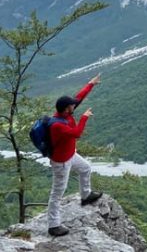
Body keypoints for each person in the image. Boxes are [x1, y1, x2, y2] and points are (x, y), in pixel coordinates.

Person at [47, 74, 103, 237]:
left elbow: (78, 98)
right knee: (57, 193)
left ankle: (86, 195)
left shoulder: (65, 114)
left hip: (71, 155)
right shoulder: (57, 125)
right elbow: (77, 133)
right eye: (72, 105)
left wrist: (90, 84)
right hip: (61, 162)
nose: (75, 105)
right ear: (66, 109)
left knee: (85, 168)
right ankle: (53, 225)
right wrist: (84, 117)